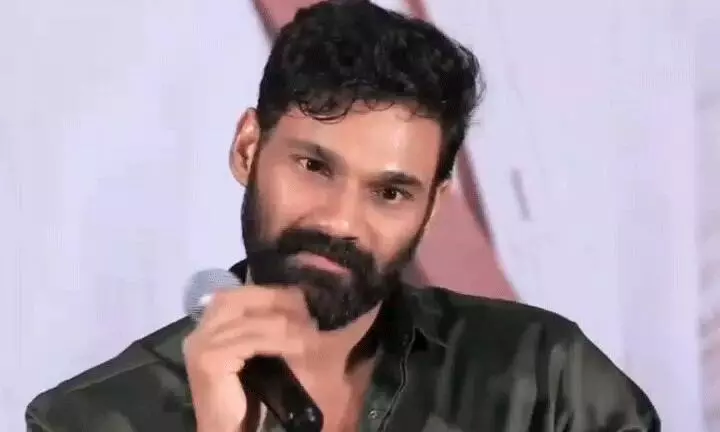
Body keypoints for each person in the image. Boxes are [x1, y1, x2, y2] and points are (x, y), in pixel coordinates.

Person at [25, 1, 660, 431]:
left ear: (433, 208)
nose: (340, 222)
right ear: (248, 149)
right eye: (314, 166)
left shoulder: (546, 380)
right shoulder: (88, 420)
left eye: (390, 193)